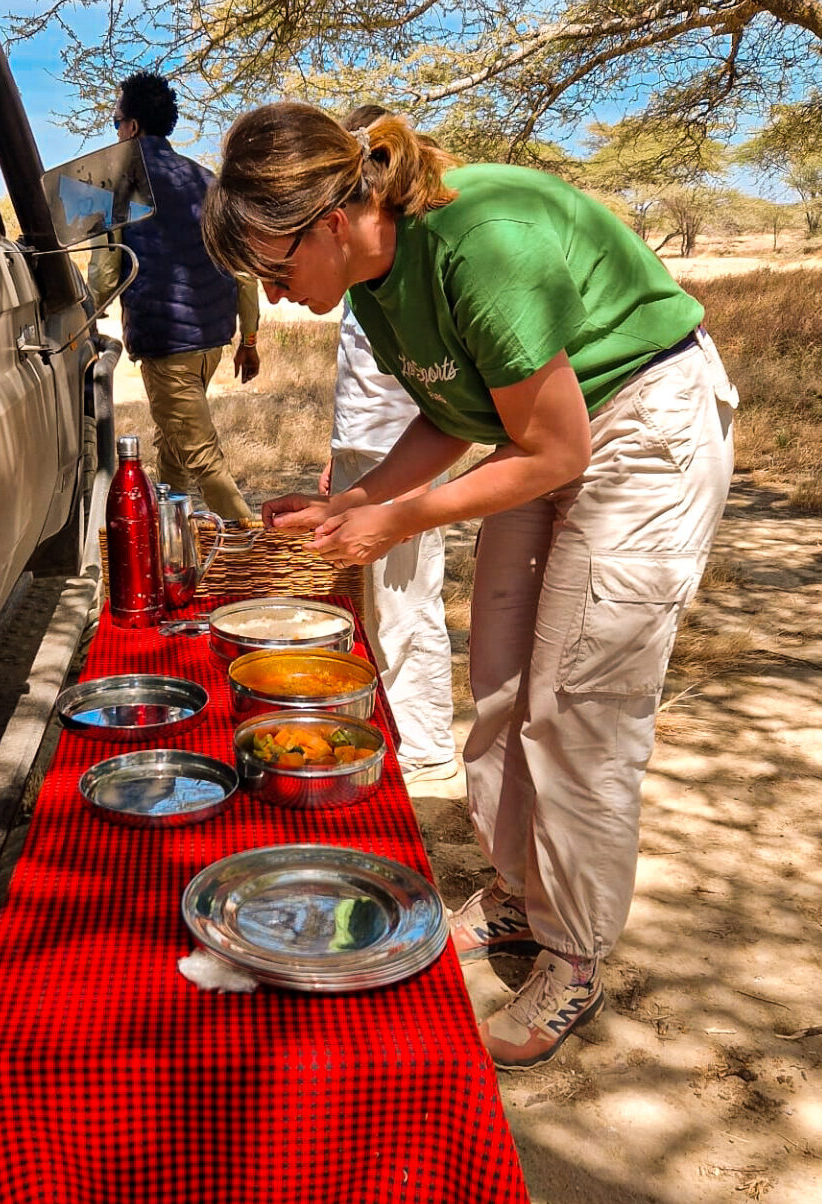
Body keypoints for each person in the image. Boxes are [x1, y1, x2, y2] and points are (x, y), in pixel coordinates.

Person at [202, 103, 737, 1069]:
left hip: (639, 426)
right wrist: (353, 500)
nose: (276, 298)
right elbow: (454, 413)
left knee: (575, 707)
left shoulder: (483, 242)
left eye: (277, 272)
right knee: (499, 685)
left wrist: (399, 520)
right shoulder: (373, 280)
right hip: (539, 435)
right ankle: (519, 897)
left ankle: (574, 954)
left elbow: (557, 445)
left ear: (333, 219)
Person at [326, 104, 458, 788]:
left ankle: (429, 749)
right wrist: (339, 467)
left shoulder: (418, 260)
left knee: (407, 609)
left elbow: (437, 391)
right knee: (374, 611)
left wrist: (399, 495)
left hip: (401, 457)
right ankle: (398, 731)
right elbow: (361, 376)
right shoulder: (359, 271)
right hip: (362, 453)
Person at [88, 71, 260, 520]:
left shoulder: (117, 183)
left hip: (167, 344)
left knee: (201, 456)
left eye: (116, 121)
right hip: (212, 341)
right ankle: (168, 540)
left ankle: (254, 548)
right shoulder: (207, 180)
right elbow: (243, 269)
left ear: (133, 127)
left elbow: (105, 271)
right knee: (173, 445)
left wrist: (84, 316)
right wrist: (251, 339)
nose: (117, 129)